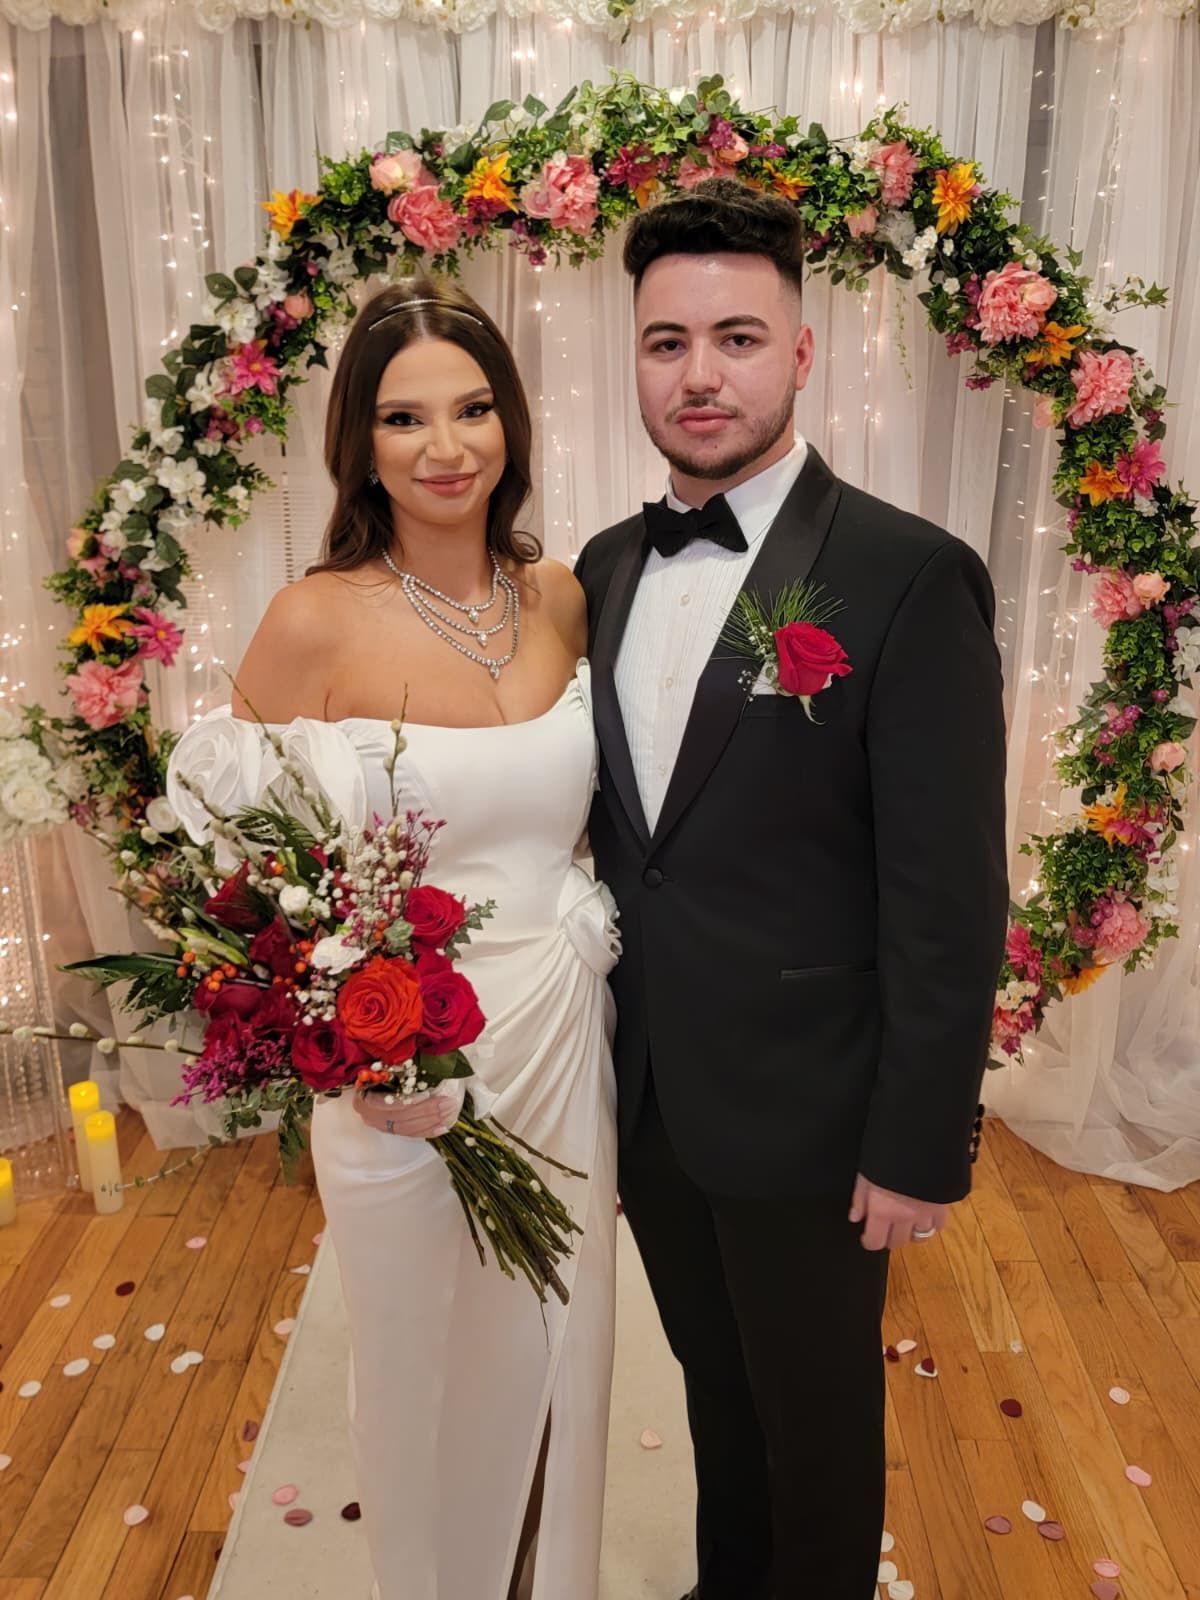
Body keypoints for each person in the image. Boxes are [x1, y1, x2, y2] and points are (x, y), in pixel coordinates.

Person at [572, 177, 1008, 1600]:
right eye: (666, 342)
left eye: (739, 337)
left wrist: (920, 1139)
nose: (701, 375)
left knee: (818, 1426)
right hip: (652, 1093)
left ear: (803, 354)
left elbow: (946, 895)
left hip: (821, 1112)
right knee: (712, 1386)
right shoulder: (608, 567)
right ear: (633, 358)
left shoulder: (904, 577)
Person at [166, 280, 619, 1600]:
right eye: (404, 416)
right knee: (425, 1372)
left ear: (512, 422)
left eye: (474, 408)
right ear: (359, 442)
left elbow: (586, 830)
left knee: (560, 1347)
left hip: (558, 1026)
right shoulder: (316, 620)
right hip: (399, 1073)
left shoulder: (563, 596)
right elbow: (228, 869)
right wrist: (343, 1043)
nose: (447, 446)